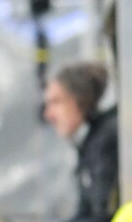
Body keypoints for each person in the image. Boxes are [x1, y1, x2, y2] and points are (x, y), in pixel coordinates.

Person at [43, 61, 119, 222]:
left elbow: (102, 216)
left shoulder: (108, 139)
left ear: (79, 99)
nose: (48, 115)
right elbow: (86, 212)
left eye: (56, 102)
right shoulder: (90, 142)